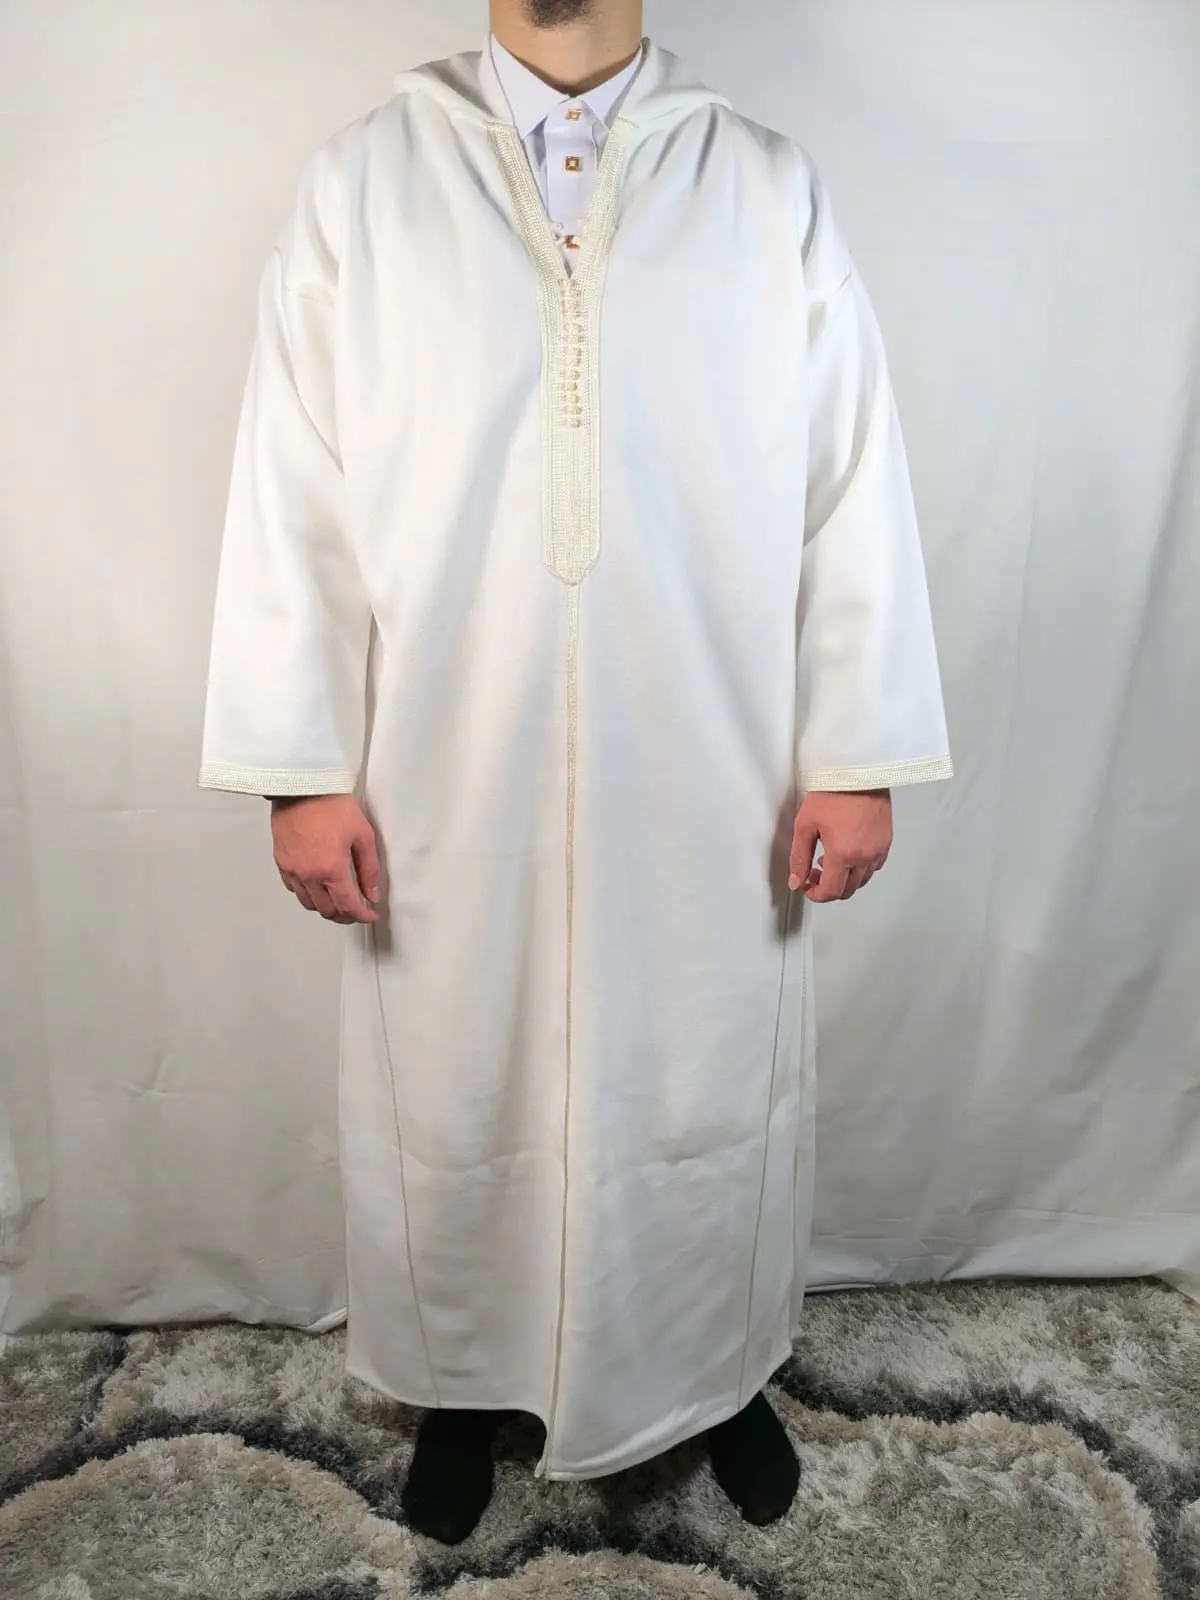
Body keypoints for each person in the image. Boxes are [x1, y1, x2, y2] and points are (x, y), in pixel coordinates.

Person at [198, 0, 952, 1547]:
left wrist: (856, 747)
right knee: (452, 1075)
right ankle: (463, 1379)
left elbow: (850, 478)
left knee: (705, 1076)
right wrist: (301, 765)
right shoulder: (368, 180)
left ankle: (714, 1368)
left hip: (715, 764)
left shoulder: (762, 186)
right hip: (443, 765)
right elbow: (292, 481)